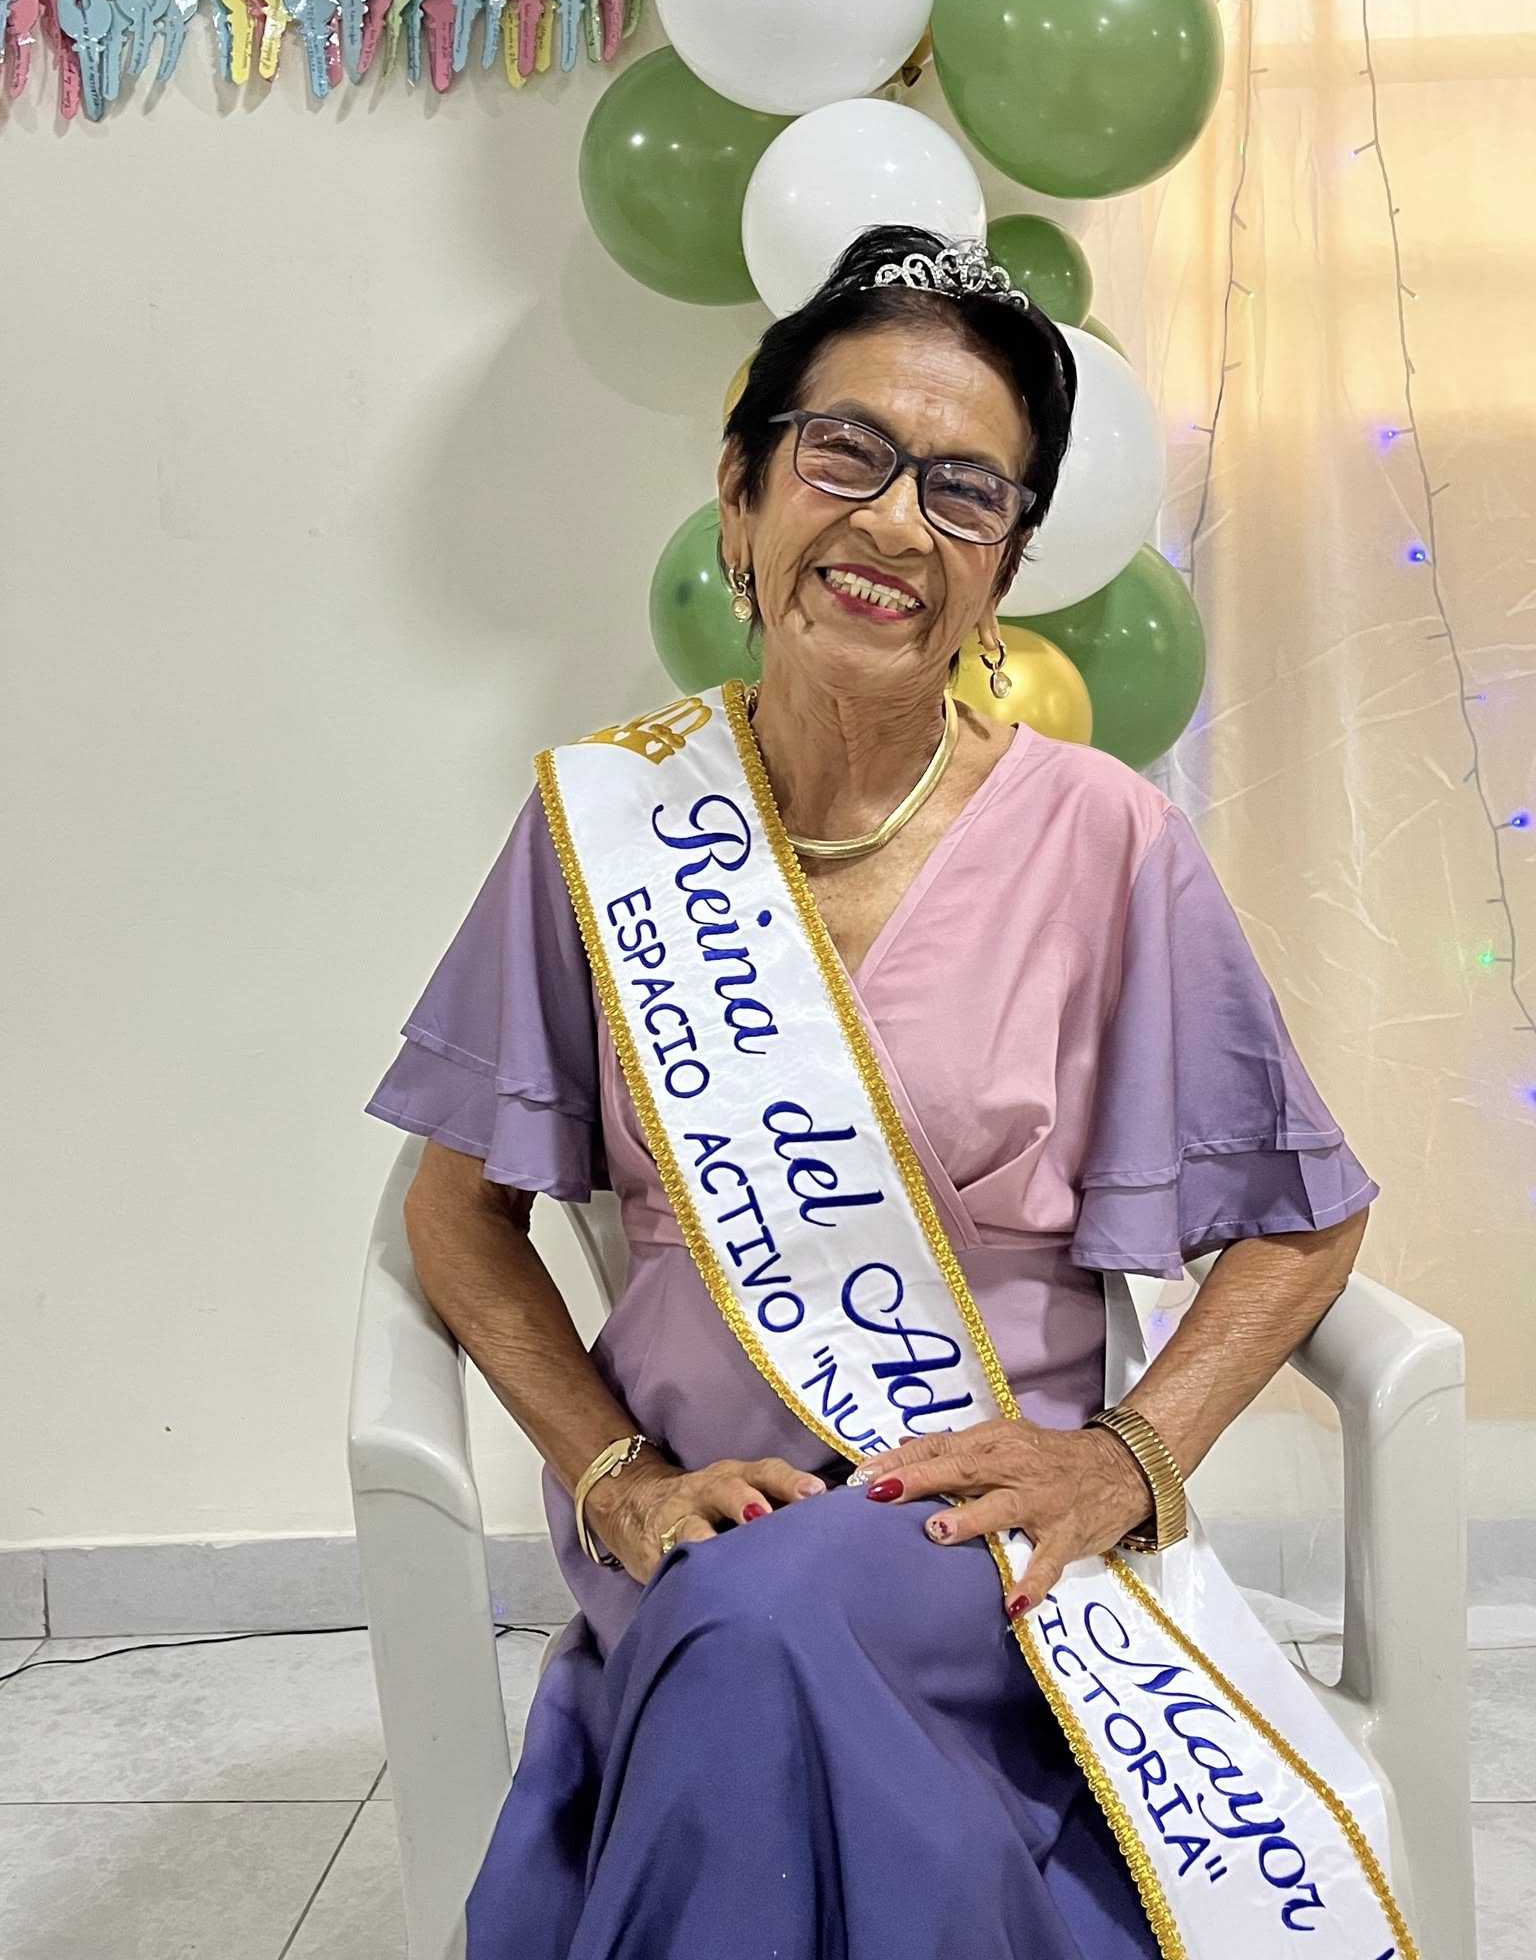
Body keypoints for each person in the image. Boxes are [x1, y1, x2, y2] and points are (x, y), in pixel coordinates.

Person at [365, 224, 1381, 1960]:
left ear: (1005, 567)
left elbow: (1305, 1223)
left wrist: (1127, 1461)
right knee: (746, 1626)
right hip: (692, 1539)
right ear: (742, 492)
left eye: (966, 491)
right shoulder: (604, 827)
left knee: (759, 1641)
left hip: (985, 1555)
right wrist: (616, 1478)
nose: (898, 523)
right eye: (847, 452)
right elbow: (458, 1217)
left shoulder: (1106, 840)